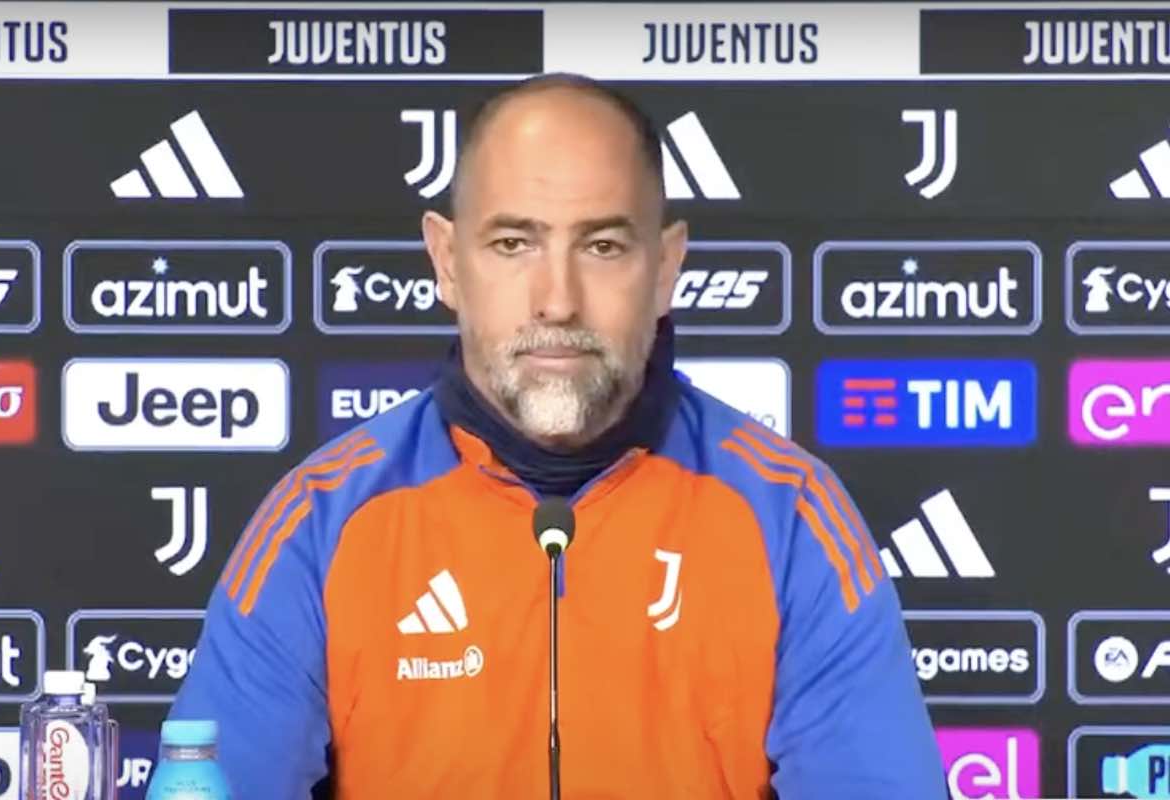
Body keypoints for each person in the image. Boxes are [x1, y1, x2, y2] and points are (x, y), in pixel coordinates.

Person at [170, 72, 947, 799]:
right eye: (514, 244)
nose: (558, 300)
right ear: (447, 261)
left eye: (603, 246)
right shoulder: (321, 520)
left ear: (666, 266)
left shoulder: (790, 516)